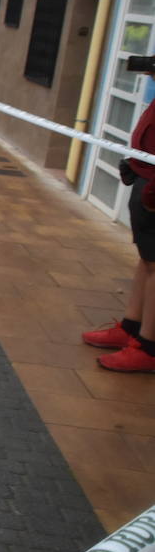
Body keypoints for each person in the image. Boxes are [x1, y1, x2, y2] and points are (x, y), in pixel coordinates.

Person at [84, 72, 155, 373]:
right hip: (145, 176)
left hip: (152, 185)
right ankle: (131, 327)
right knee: (147, 261)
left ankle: (148, 347)